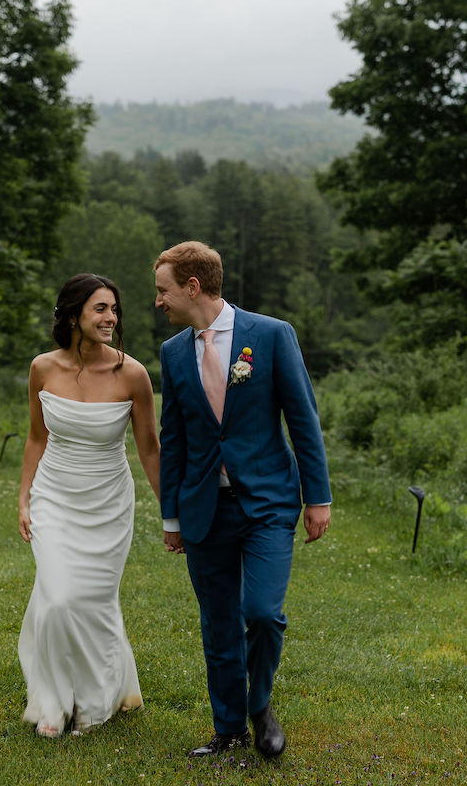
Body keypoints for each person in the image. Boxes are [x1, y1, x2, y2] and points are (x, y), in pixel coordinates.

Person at [154, 241, 332, 759]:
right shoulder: (171, 353)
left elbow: (303, 419)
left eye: (163, 291)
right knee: (218, 623)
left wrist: (317, 497)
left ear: (193, 286)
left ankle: (259, 707)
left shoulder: (272, 336)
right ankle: (228, 730)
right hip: (204, 507)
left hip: (270, 502)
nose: (158, 302)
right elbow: (177, 440)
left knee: (262, 613)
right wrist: (171, 516)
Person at [17, 273, 161, 738]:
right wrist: (24, 497)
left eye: (114, 310)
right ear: (74, 313)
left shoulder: (133, 374)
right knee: (57, 599)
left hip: (108, 504)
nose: (110, 317)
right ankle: (55, 704)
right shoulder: (43, 368)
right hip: (54, 497)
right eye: (100, 308)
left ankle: (97, 700)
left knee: (94, 601)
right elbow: (37, 436)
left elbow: (150, 450)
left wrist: (172, 514)